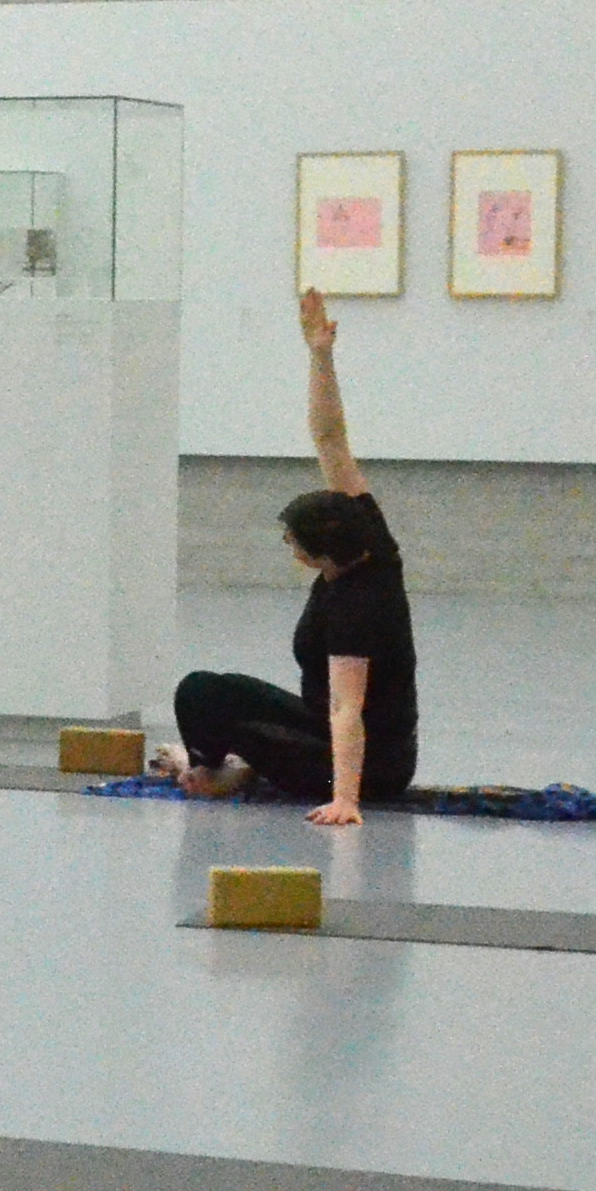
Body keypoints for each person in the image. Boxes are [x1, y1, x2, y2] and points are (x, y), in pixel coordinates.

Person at [171, 290, 417, 828]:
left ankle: (234, 774)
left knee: (244, 724)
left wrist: (347, 800)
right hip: (318, 725)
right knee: (202, 691)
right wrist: (320, 355)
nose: (288, 546)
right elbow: (330, 438)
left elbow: (349, 711)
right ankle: (215, 768)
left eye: (292, 542)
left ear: (316, 556)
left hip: (370, 764)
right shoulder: (368, 533)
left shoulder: (361, 606)